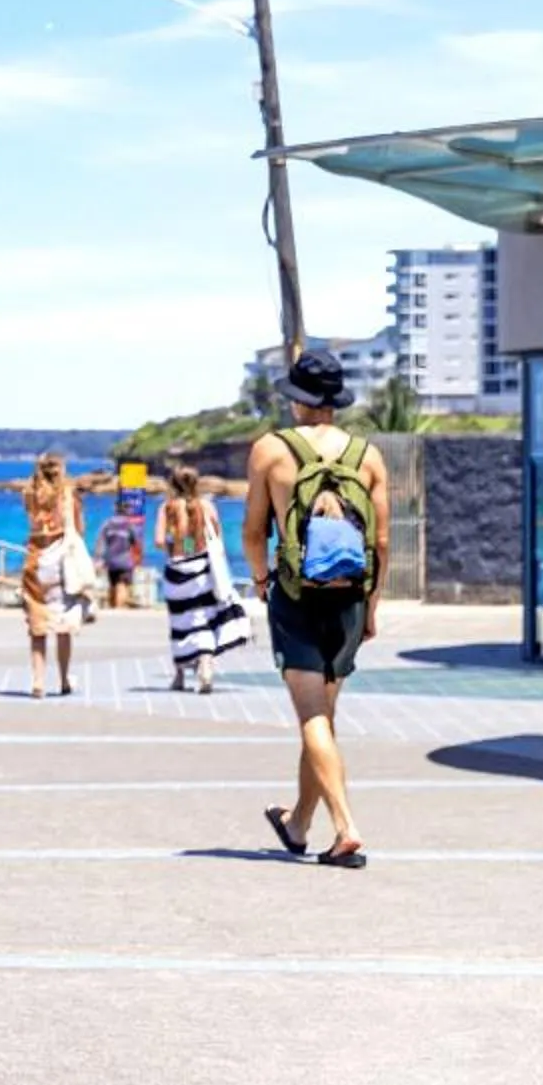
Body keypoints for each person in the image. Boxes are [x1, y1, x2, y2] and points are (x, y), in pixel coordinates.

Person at [244, 347, 391, 869]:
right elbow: (382, 543)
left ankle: (346, 828)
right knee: (324, 717)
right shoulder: (367, 455)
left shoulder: (271, 450)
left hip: (298, 596)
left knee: (311, 717)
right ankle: (298, 824)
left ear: (299, 399)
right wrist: (371, 607)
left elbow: (253, 532)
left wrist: (262, 581)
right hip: (350, 597)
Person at [154, 465, 250, 693]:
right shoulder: (206, 506)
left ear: (172, 484)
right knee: (203, 619)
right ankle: (206, 666)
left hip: (177, 572)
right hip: (202, 570)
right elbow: (217, 540)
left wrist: (174, 546)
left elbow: (159, 541)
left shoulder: (167, 508)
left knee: (180, 623)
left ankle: (179, 675)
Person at [18, 452, 93, 698]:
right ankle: (63, 679)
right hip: (62, 563)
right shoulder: (68, 494)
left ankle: (38, 681)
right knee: (63, 626)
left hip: (36, 561)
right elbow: (79, 529)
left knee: (38, 627)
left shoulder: (30, 493)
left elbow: (32, 521)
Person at [99, 505, 143, 609]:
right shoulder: (129, 525)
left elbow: (101, 543)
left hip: (111, 561)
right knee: (122, 584)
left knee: (113, 584)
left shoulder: (107, 524)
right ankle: (119, 609)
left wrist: (99, 559)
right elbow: (136, 543)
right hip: (125, 561)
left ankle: (112, 608)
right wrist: (138, 558)